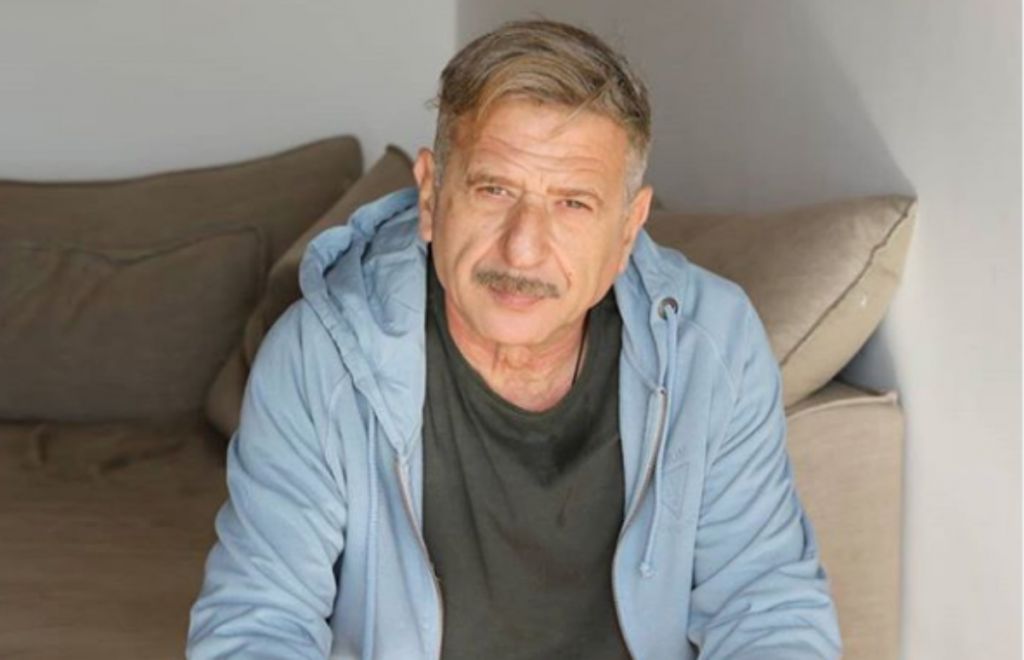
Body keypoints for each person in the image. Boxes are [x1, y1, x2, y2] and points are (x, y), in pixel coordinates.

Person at [187, 19, 842, 660]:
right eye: (494, 190)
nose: (523, 248)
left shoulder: (711, 343)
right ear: (430, 196)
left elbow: (764, 603)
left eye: (573, 203)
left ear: (628, 227)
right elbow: (259, 620)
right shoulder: (321, 355)